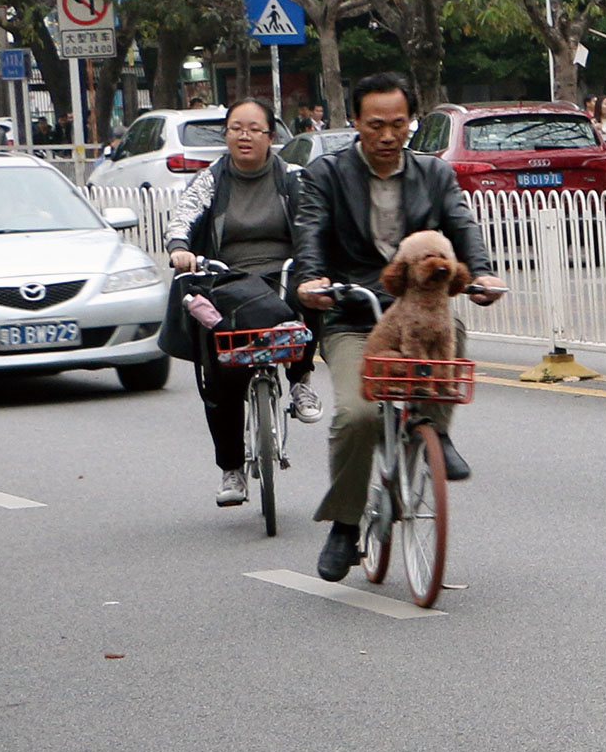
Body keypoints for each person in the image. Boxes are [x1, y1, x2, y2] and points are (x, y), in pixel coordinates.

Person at [294, 72, 505, 582]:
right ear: (355, 124)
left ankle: (433, 425)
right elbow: (310, 233)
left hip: (419, 306)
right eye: (375, 125)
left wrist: (481, 272)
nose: (388, 136)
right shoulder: (326, 174)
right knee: (359, 416)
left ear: (412, 122)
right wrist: (310, 280)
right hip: (353, 315)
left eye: (399, 124)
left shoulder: (435, 175)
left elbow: (462, 227)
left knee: (449, 329)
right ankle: (345, 525)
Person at [165, 96, 323, 508]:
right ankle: (232, 468)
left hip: (282, 274)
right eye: (237, 128)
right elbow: (183, 217)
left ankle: (301, 380)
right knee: (219, 374)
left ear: (272, 136)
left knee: (311, 291)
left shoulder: (293, 177)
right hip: (227, 281)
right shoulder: (211, 179)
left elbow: (312, 224)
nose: (245, 136)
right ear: (226, 135)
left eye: (255, 128)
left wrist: (311, 262)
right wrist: (180, 247)